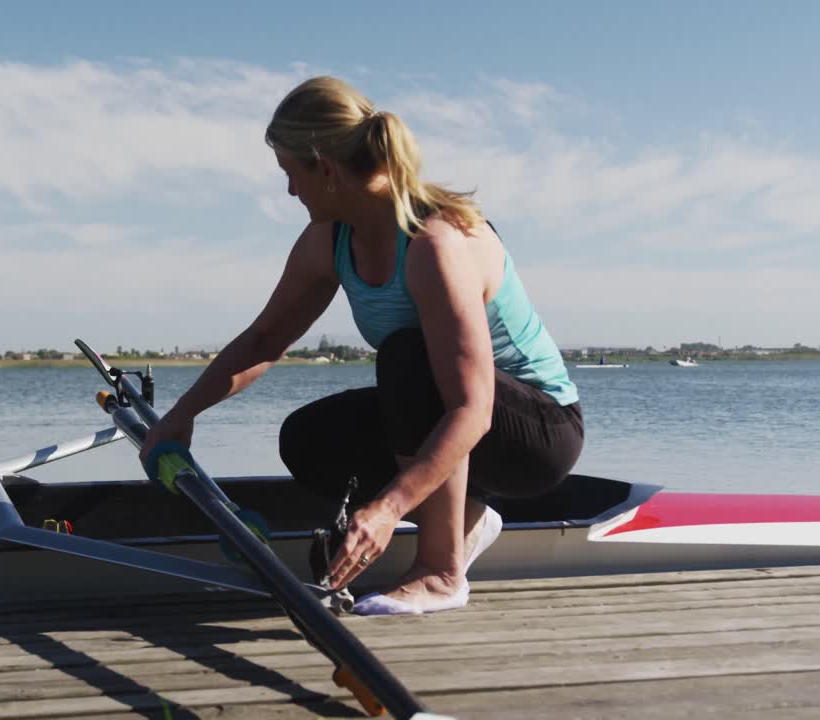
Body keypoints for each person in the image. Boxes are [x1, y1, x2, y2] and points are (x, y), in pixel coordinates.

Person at [140, 76, 583, 615]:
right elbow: (264, 338)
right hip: (464, 412)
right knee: (309, 440)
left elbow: (473, 408)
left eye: (291, 173)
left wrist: (389, 509)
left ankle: (442, 571)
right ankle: (468, 516)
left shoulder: (432, 245)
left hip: (538, 434)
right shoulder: (330, 239)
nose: (290, 191)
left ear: (326, 169)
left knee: (405, 357)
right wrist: (182, 415)